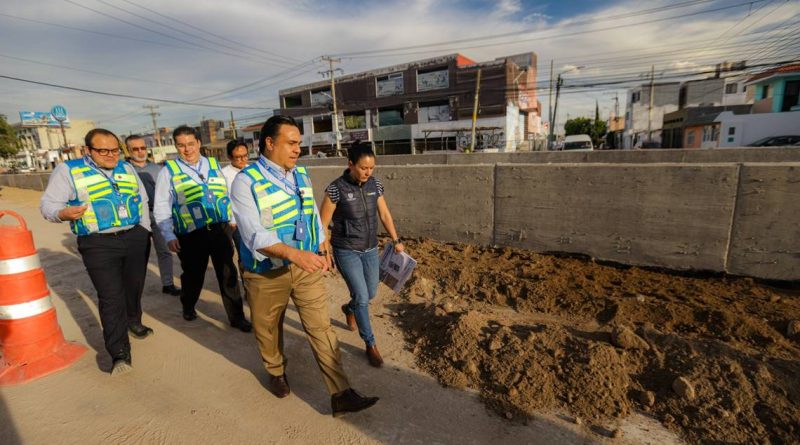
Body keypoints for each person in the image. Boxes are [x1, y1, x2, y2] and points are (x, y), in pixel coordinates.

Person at [231, 115, 378, 417]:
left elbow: (311, 214)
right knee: (269, 329)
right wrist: (295, 255)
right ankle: (275, 370)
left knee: (321, 327)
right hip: (266, 273)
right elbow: (253, 234)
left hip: (305, 267)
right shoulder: (245, 182)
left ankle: (341, 393)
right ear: (270, 143)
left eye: (299, 143)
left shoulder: (300, 175)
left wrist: (322, 245)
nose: (298, 149)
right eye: (292, 143)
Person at [40, 128, 152, 375]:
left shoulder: (127, 168)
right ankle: (120, 352)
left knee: (134, 286)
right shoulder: (68, 171)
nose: (111, 155)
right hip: (97, 243)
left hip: (134, 236)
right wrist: (62, 213)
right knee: (111, 296)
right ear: (88, 150)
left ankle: (133, 320)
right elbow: (48, 205)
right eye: (103, 151)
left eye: (115, 150)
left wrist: (144, 231)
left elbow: (141, 199)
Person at [152, 126, 251, 332]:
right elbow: (161, 206)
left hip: (219, 228)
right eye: (181, 145)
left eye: (190, 144)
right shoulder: (168, 172)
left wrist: (231, 218)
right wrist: (168, 235)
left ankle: (237, 317)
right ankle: (188, 304)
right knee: (193, 275)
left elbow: (225, 194)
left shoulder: (214, 165)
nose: (187, 149)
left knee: (227, 273)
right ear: (176, 146)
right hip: (190, 233)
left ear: (198, 143)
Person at [319, 141, 403, 368]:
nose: (368, 172)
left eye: (372, 168)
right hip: (346, 250)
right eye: (364, 168)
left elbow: (384, 214)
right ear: (351, 165)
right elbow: (323, 223)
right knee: (363, 297)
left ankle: (349, 308)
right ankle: (370, 344)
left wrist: (396, 240)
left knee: (371, 292)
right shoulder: (336, 188)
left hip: (370, 248)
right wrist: (324, 251)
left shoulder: (375, 185)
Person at [126, 135, 181, 297]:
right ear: (128, 150)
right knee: (138, 255)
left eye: (143, 148)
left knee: (164, 251)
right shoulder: (123, 170)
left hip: (157, 215)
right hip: (136, 217)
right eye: (135, 149)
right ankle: (136, 287)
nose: (140, 151)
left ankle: (168, 283)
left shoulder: (159, 169)